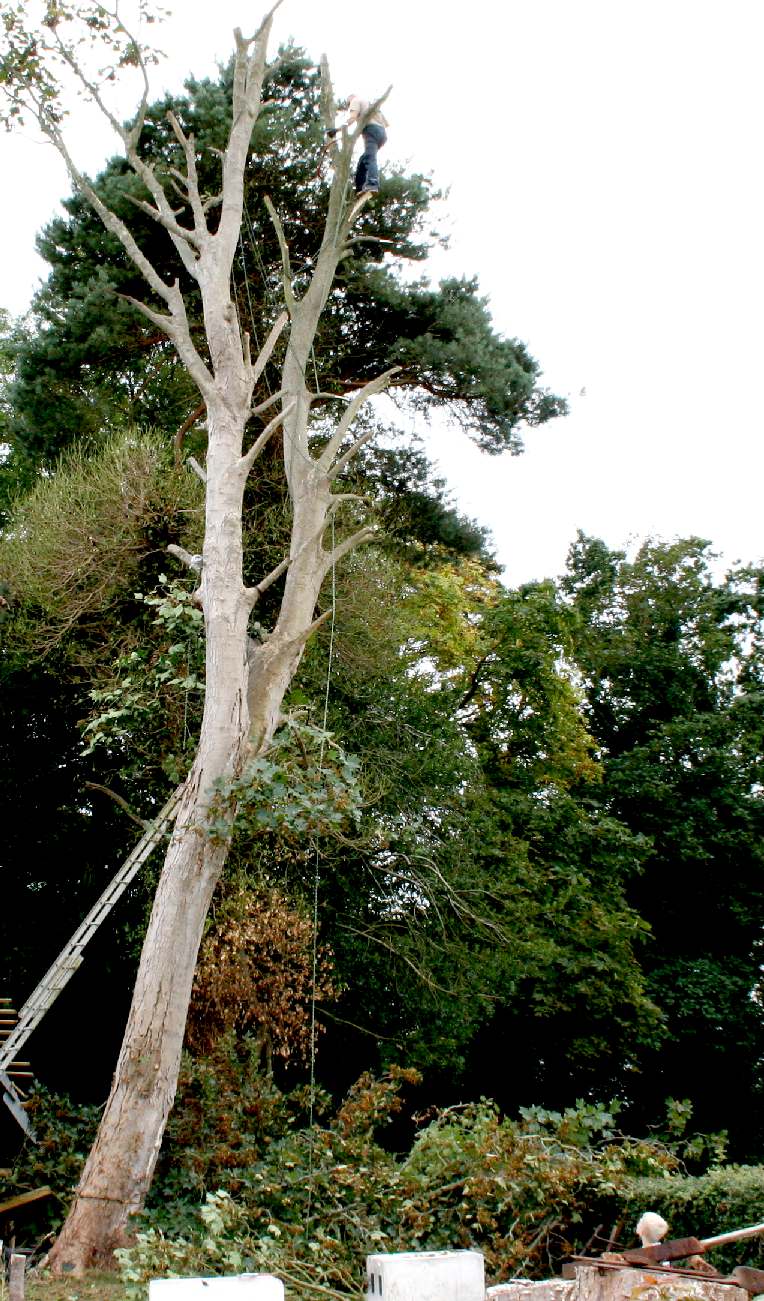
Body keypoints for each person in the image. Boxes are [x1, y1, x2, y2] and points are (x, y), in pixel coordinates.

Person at [330, 94, 389, 195]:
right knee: (363, 160)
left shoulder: (355, 101)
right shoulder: (368, 103)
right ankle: (359, 188)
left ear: (350, 99)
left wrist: (336, 130)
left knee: (370, 158)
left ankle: (373, 183)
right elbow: (385, 123)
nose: (349, 107)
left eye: (348, 104)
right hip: (382, 134)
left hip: (371, 131)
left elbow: (352, 119)